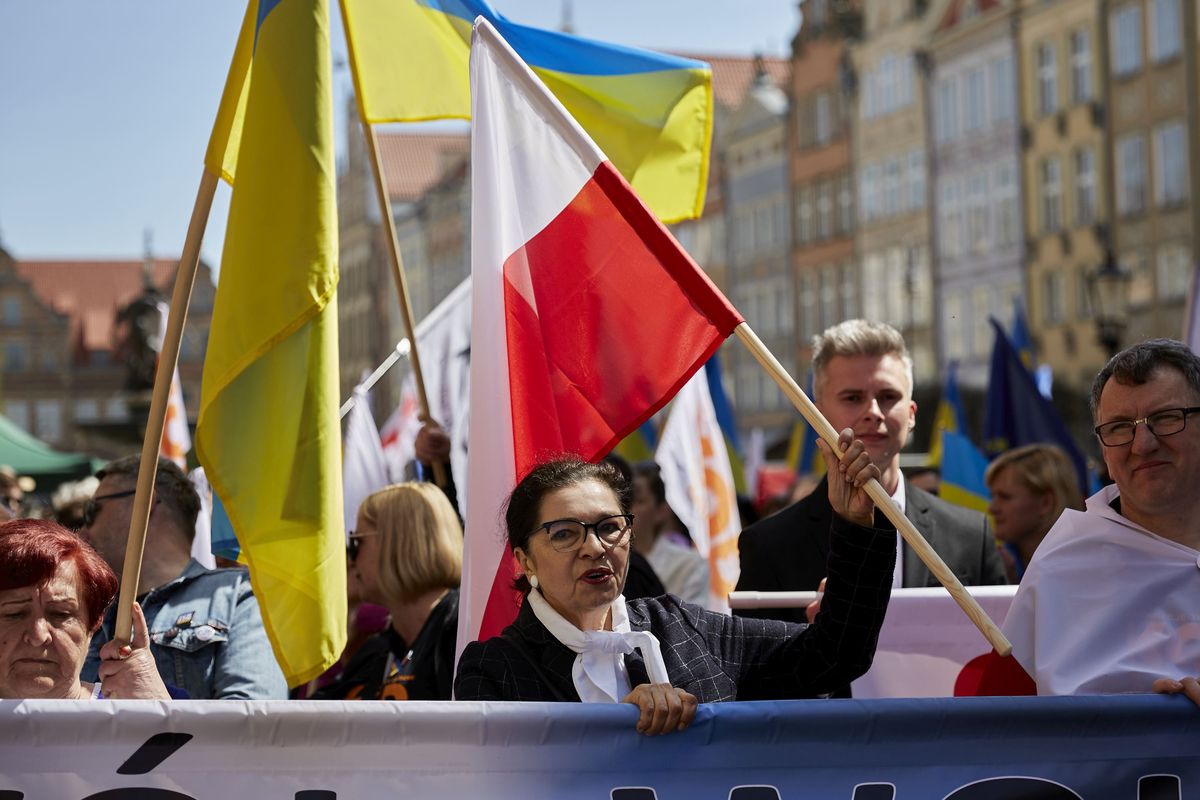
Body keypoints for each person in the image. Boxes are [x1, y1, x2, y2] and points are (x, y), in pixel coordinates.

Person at [455, 435, 896, 736]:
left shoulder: (683, 628)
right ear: (524, 559)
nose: (595, 547)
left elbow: (835, 654)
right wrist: (618, 731)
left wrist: (855, 525)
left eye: (610, 527)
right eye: (565, 533)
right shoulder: (492, 671)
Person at [736, 320, 1006, 626]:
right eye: (852, 398)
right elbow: (755, 669)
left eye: (889, 397)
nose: (874, 412)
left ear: (912, 415)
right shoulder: (770, 546)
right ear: (818, 413)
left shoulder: (970, 536)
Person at [1002, 339, 1200, 705]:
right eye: (1120, 427)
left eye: (1167, 418)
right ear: (1103, 450)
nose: (1143, 444)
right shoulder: (1061, 566)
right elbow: (1012, 730)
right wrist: (1134, 713)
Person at [79, 456, 287, 699]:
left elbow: (254, 729)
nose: (84, 530)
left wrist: (158, 703)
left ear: (143, 504)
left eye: (93, 510)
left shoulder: (240, 597)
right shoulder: (86, 613)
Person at [314, 483, 461, 701]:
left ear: (397, 542)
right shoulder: (376, 652)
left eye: (356, 543)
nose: (350, 561)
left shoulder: (462, 635)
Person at [0, 518, 170, 700]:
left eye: (61, 614)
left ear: (94, 623)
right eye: (15, 614)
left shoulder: (153, 702)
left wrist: (158, 715)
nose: (38, 636)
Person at [984, 444, 1083, 582]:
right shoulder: (997, 563)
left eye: (1005, 497)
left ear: (1046, 503)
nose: (992, 508)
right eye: (993, 496)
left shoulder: (1090, 568)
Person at [630, 463, 709, 606]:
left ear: (661, 511)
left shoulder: (689, 565)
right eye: (623, 500)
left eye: (638, 501)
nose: (627, 509)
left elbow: (693, 623)